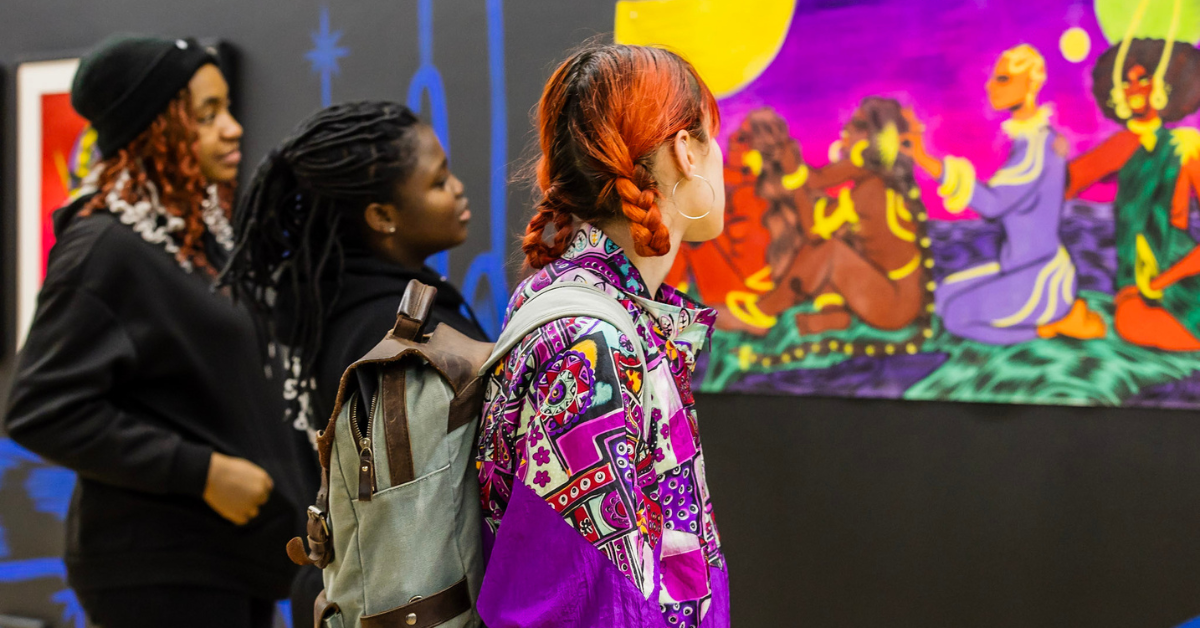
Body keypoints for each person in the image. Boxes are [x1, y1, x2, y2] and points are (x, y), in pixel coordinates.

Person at [4, 35, 304, 628]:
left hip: (230, 562)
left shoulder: (198, 242)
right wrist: (203, 472)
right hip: (161, 569)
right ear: (153, 128)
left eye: (227, 109)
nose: (234, 129)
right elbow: (40, 407)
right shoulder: (103, 247)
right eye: (207, 114)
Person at [475, 43, 730, 627]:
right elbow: (577, 606)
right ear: (685, 152)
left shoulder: (596, 308)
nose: (721, 158)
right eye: (711, 137)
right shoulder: (592, 343)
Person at [218, 100, 488, 626]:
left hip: (336, 593)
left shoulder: (310, 310)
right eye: (438, 182)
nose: (457, 189)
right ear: (381, 216)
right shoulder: (402, 335)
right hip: (408, 603)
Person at [905, 44, 1106, 344]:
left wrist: (924, 158)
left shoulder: (1038, 148)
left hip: (1039, 280)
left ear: (1030, 85)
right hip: (1017, 269)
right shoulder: (1032, 141)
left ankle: (1051, 326)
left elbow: (993, 203)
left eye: (1003, 79)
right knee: (944, 296)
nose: (990, 85)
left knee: (956, 317)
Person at [751, 97, 934, 353]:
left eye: (858, 125)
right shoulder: (876, 180)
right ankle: (834, 314)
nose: (846, 129)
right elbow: (817, 180)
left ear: (874, 140)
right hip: (889, 289)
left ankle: (763, 311)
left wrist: (794, 173)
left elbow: (813, 228)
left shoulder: (870, 192)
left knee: (831, 250)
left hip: (894, 304)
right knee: (837, 240)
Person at [1065, 35, 1200, 350]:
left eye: (1143, 78)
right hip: (1135, 287)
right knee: (1130, 322)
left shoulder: (1187, 147)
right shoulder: (1121, 145)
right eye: (1125, 82)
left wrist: (1161, 282)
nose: (1134, 88)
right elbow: (1065, 185)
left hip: (1181, 273)